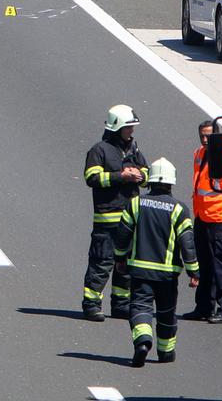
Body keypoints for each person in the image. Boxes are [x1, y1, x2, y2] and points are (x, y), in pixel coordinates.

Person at [114, 158, 198, 367]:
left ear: (149, 180)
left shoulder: (136, 204)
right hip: (167, 274)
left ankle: (143, 342)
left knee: (140, 308)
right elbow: (187, 243)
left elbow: (123, 235)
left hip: (141, 272)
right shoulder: (179, 209)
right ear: (171, 182)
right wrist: (193, 271)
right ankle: (166, 352)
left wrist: (120, 258)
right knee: (166, 312)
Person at [83, 104, 149, 321]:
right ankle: (92, 304)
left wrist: (140, 175)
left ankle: (121, 305)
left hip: (130, 218)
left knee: (127, 263)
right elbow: (92, 178)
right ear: (117, 127)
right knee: (102, 262)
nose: (132, 131)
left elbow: (146, 170)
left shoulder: (133, 148)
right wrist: (121, 176)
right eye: (128, 127)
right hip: (107, 219)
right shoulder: (98, 150)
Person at [185, 120, 222, 323]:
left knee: (221, 265)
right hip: (201, 217)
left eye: (208, 135)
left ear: (217, 135)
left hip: (219, 219)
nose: (205, 139)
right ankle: (204, 307)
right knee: (204, 264)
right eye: (202, 135)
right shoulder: (199, 153)